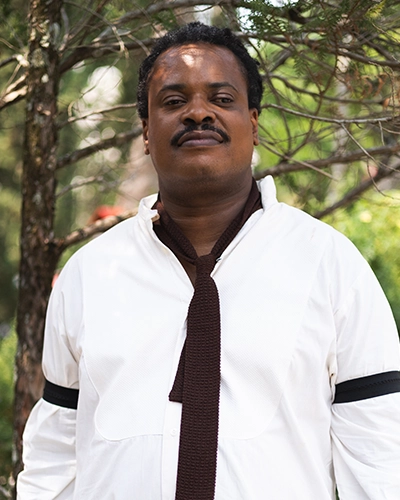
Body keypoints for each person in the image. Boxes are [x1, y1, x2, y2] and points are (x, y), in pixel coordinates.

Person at [17, 22, 400, 500]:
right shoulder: (89, 274)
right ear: (146, 132)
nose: (198, 113)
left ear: (253, 124)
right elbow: (54, 458)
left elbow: (380, 455)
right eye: (174, 101)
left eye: (221, 99)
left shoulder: (329, 264)